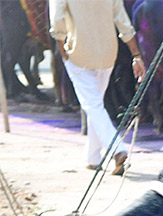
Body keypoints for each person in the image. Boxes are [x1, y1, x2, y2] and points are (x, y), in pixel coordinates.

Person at [49, 0, 146, 175]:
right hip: (107, 54)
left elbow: (57, 20)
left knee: (93, 105)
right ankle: (92, 157)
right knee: (96, 106)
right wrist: (136, 55)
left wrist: (61, 48)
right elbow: (123, 21)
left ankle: (117, 148)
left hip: (78, 54)